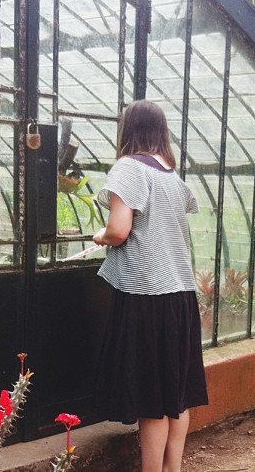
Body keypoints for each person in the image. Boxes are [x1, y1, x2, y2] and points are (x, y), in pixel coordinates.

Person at [93, 99, 208, 472]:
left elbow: (119, 229)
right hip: (180, 296)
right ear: (160, 132)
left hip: (148, 297)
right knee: (176, 396)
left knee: (152, 399)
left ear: (128, 129)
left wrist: (101, 235)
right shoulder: (171, 176)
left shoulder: (129, 168)